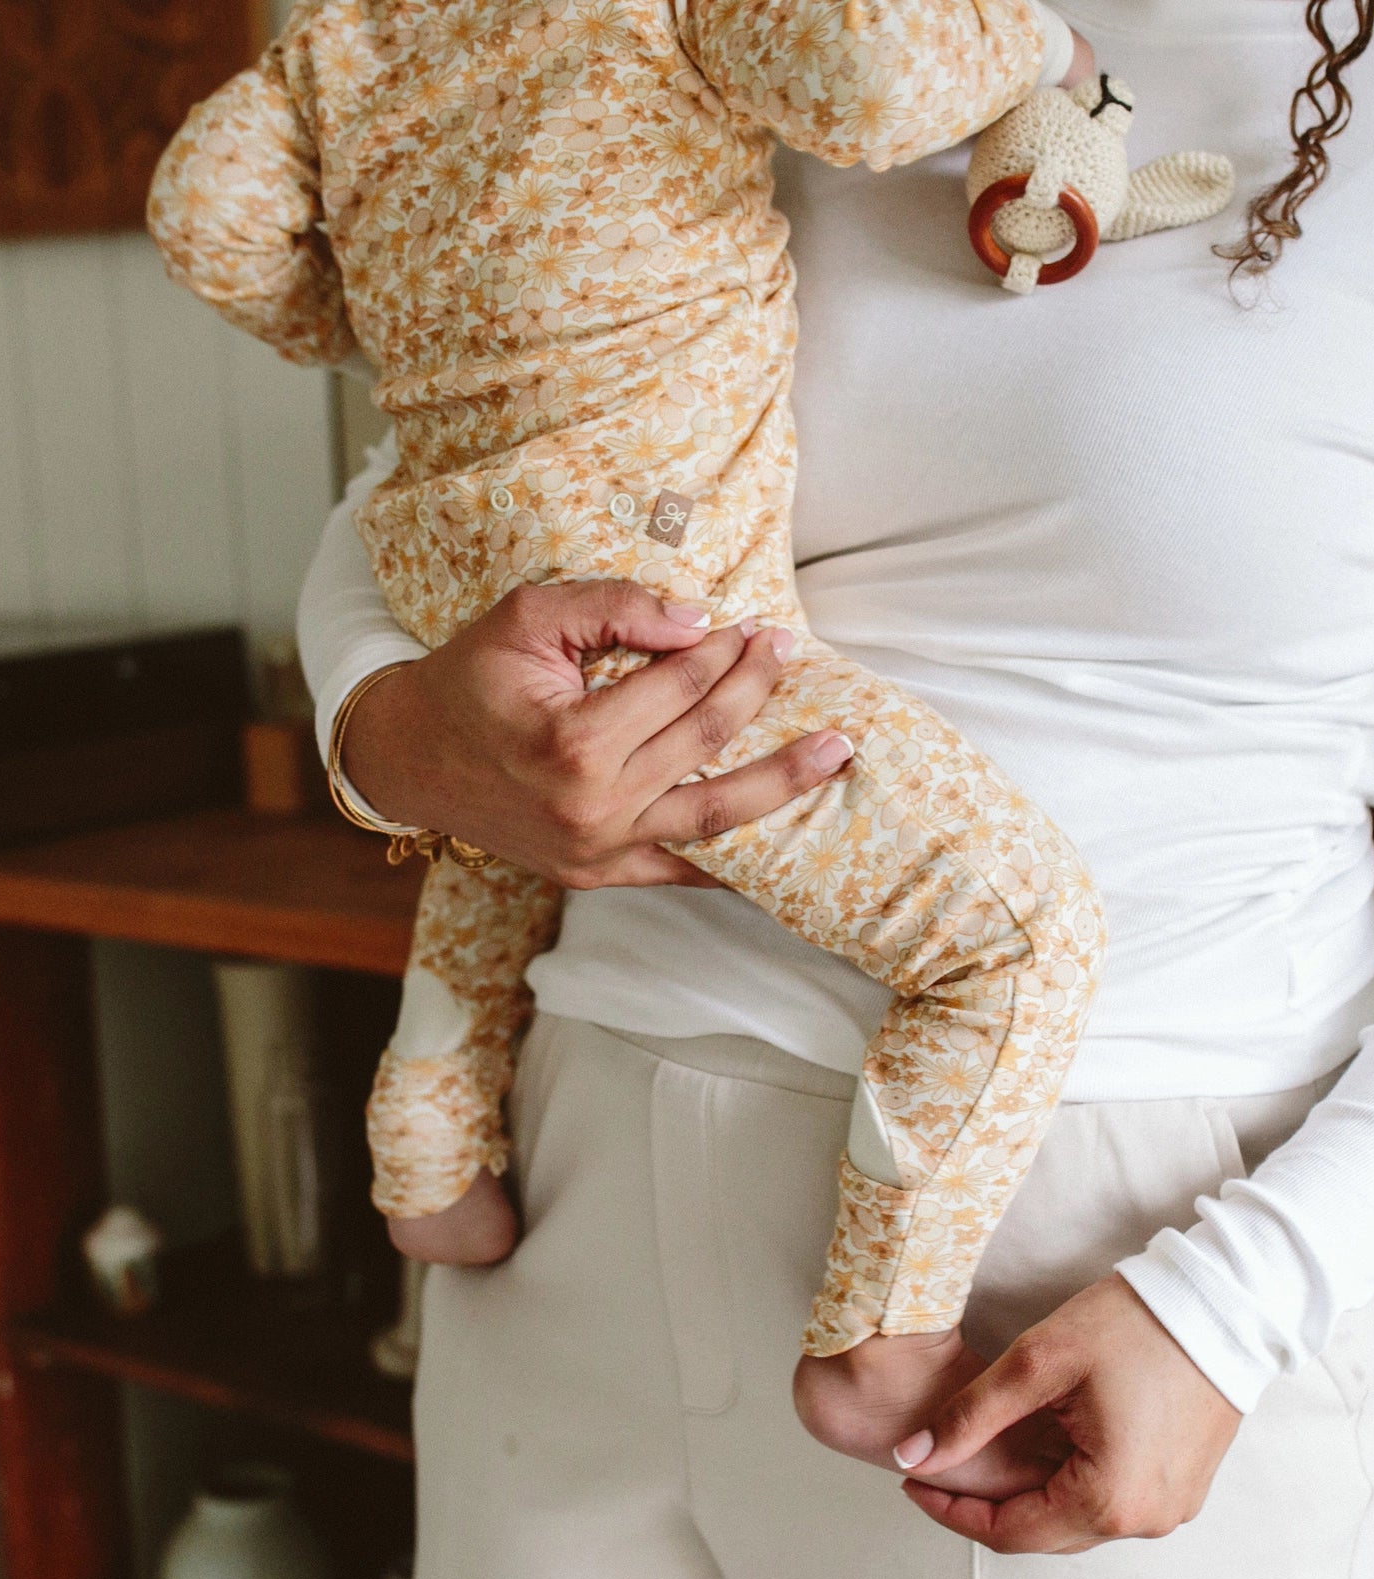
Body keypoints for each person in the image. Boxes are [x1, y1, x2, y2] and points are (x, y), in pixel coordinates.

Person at [301, 0, 1374, 1579]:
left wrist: (1228, 1306)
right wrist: (392, 733)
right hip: (571, 1175)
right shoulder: (766, 26)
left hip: (1088, 1269)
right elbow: (449, 463)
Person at [148, 0, 1123, 1451]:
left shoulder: (340, 36)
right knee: (1016, 935)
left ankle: (427, 1148)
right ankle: (881, 1331)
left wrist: (376, 325)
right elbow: (867, 78)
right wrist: (1042, 52)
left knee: (507, 816)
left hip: (447, 555)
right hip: (654, 609)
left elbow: (203, 214)